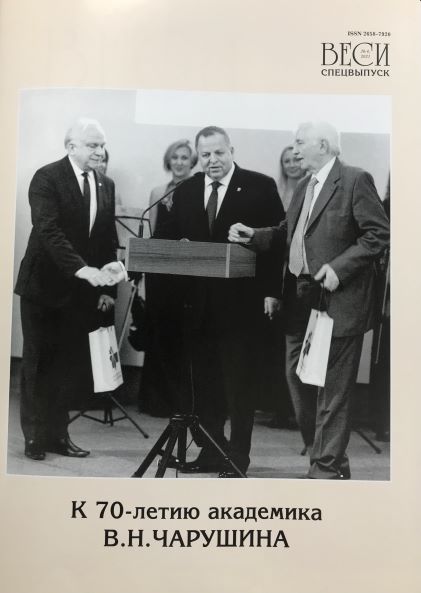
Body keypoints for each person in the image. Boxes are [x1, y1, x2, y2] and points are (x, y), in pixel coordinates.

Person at [229, 121, 390, 479]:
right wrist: (254, 235)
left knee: (333, 390)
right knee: (297, 379)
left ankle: (325, 468)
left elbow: (378, 233)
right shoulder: (305, 184)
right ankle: (330, 458)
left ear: (324, 145)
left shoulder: (355, 179)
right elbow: (289, 233)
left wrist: (340, 268)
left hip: (340, 299)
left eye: (300, 143)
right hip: (299, 297)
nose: (294, 150)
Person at [154, 125, 284, 477]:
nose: (212, 160)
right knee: (205, 384)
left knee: (239, 385)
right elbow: (166, 236)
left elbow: (277, 244)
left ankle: (238, 458)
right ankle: (212, 451)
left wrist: (273, 291)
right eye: (206, 155)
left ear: (232, 151)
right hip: (196, 306)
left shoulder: (260, 186)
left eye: (219, 153)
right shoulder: (186, 189)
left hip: (242, 305)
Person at [15, 118, 121, 461]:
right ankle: (35, 437)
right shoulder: (46, 177)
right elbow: (49, 231)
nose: (100, 152)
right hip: (42, 287)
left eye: (102, 145)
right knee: (38, 364)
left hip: (81, 292)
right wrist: (82, 269)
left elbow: (105, 238)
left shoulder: (106, 184)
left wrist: (109, 284)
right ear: (71, 146)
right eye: (93, 145)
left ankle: (58, 436)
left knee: (66, 366)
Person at [140, 140, 198, 416]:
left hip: (186, 272)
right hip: (159, 272)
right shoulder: (157, 192)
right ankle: (156, 401)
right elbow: (151, 232)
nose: (179, 162)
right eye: (175, 157)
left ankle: (181, 402)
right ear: (168, 160)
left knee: (182, 335)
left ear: (192, 161)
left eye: (185, 157)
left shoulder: (198, 189)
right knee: (159, 332)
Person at [278, 145, 307, 210]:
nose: (292, 165)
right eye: (287, 161)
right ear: (282, 166)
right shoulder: (276, 192)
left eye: (296, 160)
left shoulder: (314, 191)